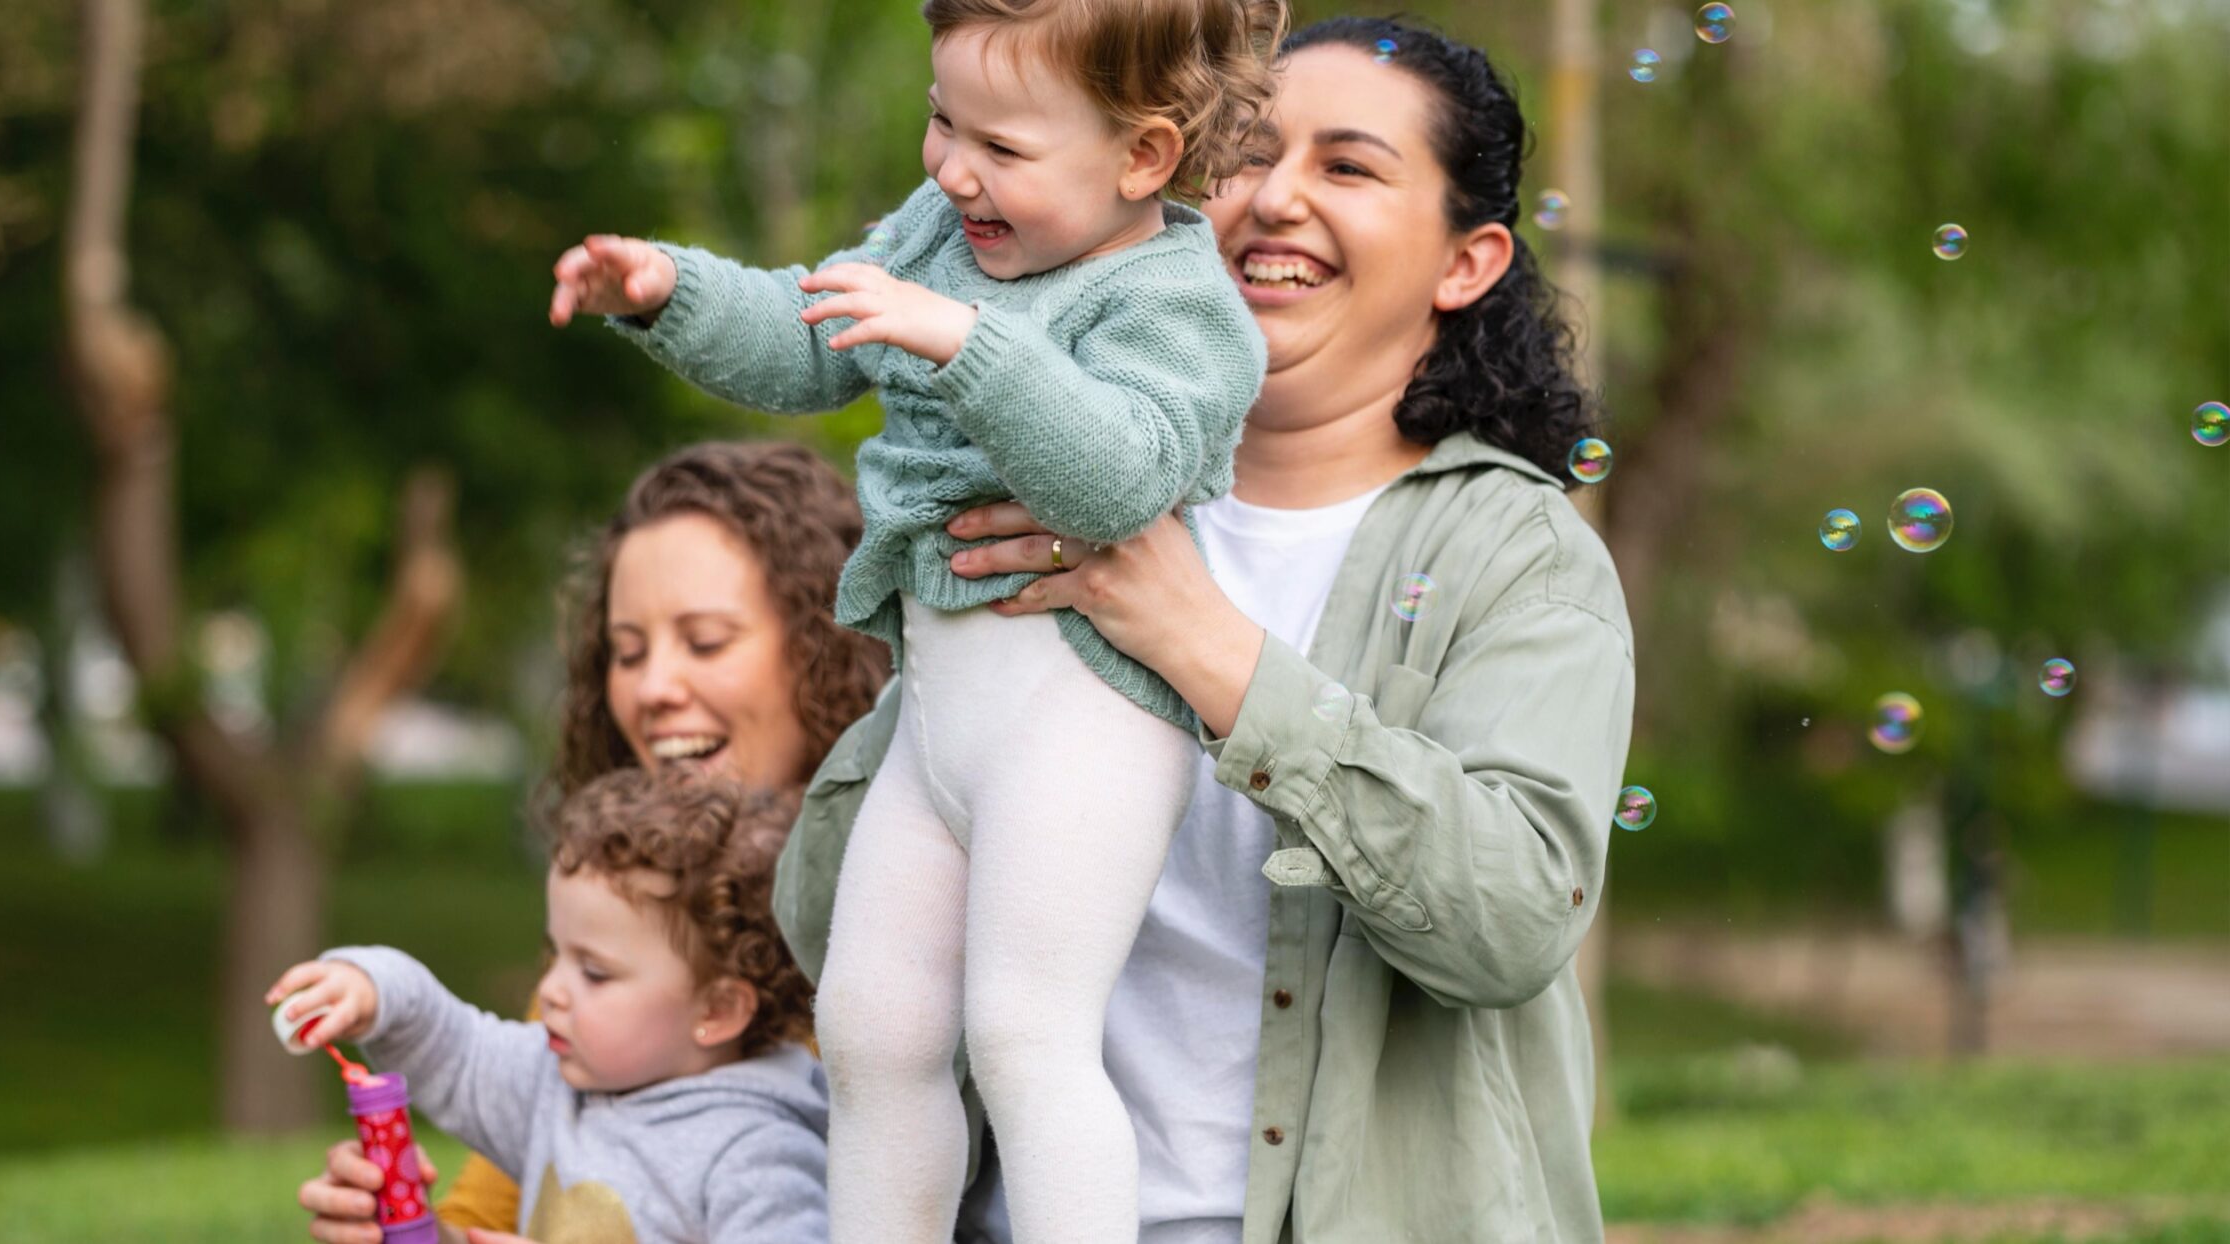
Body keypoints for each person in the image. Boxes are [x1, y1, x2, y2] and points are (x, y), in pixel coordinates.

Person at [778, 15, 1634, 1243]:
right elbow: (826, 931)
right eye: (1249, 153)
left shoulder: (1518, 554)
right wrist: (949, 667)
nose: (1274, 198)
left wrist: (1205, 646)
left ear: (1466, 261)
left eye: (1347, 167)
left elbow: (1510, 921)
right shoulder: (1029, 496)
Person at [548, 2, 1285, 1236]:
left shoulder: (1176, 298)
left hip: (1085, 718)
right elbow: (810, 332)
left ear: (1142, 156)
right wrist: (670, 291)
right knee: (872, 1025)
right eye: (943, 121)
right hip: (939, 727)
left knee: (1025, 1032)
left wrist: (965, 346)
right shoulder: (945, 230)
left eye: (1000, 146)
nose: (951, 169)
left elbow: (1120, 476)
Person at [294, 440, 888, 1244]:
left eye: (705, 641)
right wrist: (405, 1227)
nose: (652, 689)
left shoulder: (918, 954)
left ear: (829, 647)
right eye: (628, 651)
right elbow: (499, 1204)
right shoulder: (611, 959)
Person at [269, 769, 827, 1244]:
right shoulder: (554, 1082)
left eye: (594, 972)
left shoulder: (759, 1155)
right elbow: (454, 1050)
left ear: (718, 1010)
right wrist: (374, 989)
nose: (552, 989)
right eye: (555, 953)